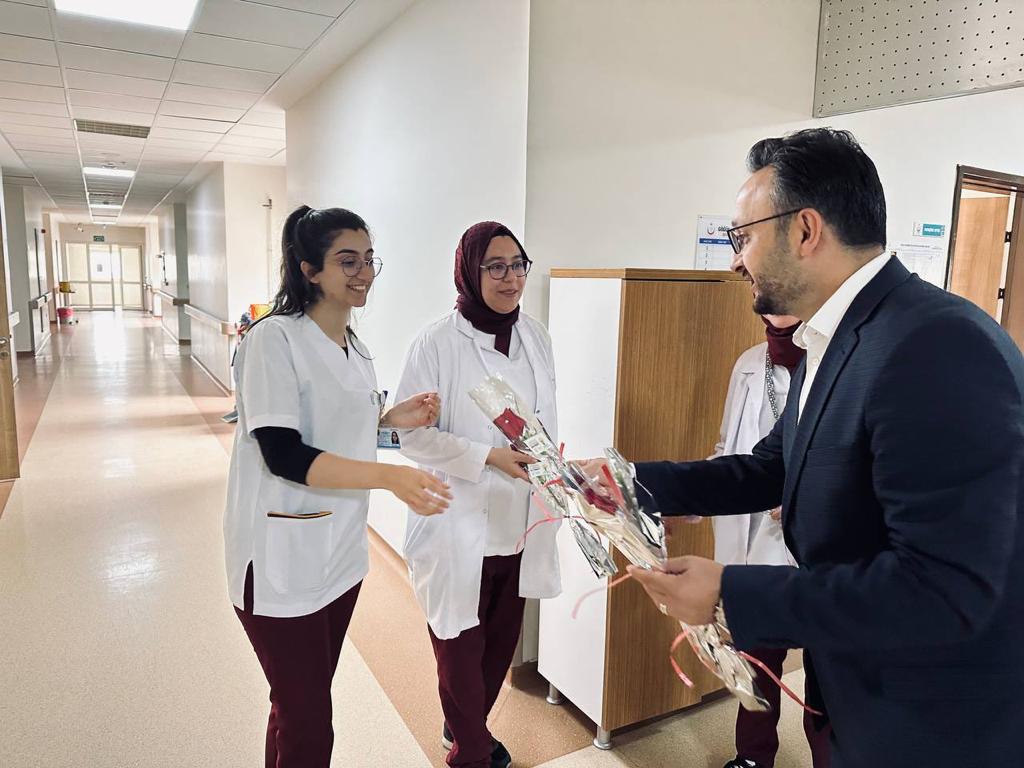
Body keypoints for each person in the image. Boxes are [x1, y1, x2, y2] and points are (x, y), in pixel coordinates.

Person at [589, 128, 1024, 767]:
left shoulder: (936, 346)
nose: (735, 261)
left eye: (742, 237)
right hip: (856, 685)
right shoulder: (838, 338)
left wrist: (731, 593)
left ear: (805, 230)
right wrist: (627, 482)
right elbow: (774, 465)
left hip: (932, 722)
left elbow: (942, 590)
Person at [224, 205, 452, 768]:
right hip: (280, 558)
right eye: (347, 261)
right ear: (309, 269)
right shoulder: (273, 340)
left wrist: (392, 420)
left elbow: (340, 426)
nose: (364, 273)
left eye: (369, 259)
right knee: (309, 723)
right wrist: (390, 477)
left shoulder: (356, 345)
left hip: (340, 555)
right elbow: (284, 452)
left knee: (294, 705)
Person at [395, 221, 560, 768]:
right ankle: (470, 752)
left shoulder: (535, 336)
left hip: (519, 520)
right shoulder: (437, 343)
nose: (510, 278)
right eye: (495, 267)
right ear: (469, 270)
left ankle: (466, 725)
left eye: (518, 265)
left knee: (498, 645)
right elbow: (412, 437)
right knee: (459, 645)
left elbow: (543, 422)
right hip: (456, 522)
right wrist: (487, 456)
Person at [710, 314, 830, 768]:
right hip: (756, 549)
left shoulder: (837, 366)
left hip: (819, 554)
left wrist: (801, 498)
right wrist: (690, 502)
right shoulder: (749, 365)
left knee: (827, 677)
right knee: (756, 664)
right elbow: (728, 451)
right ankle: (752, 757)